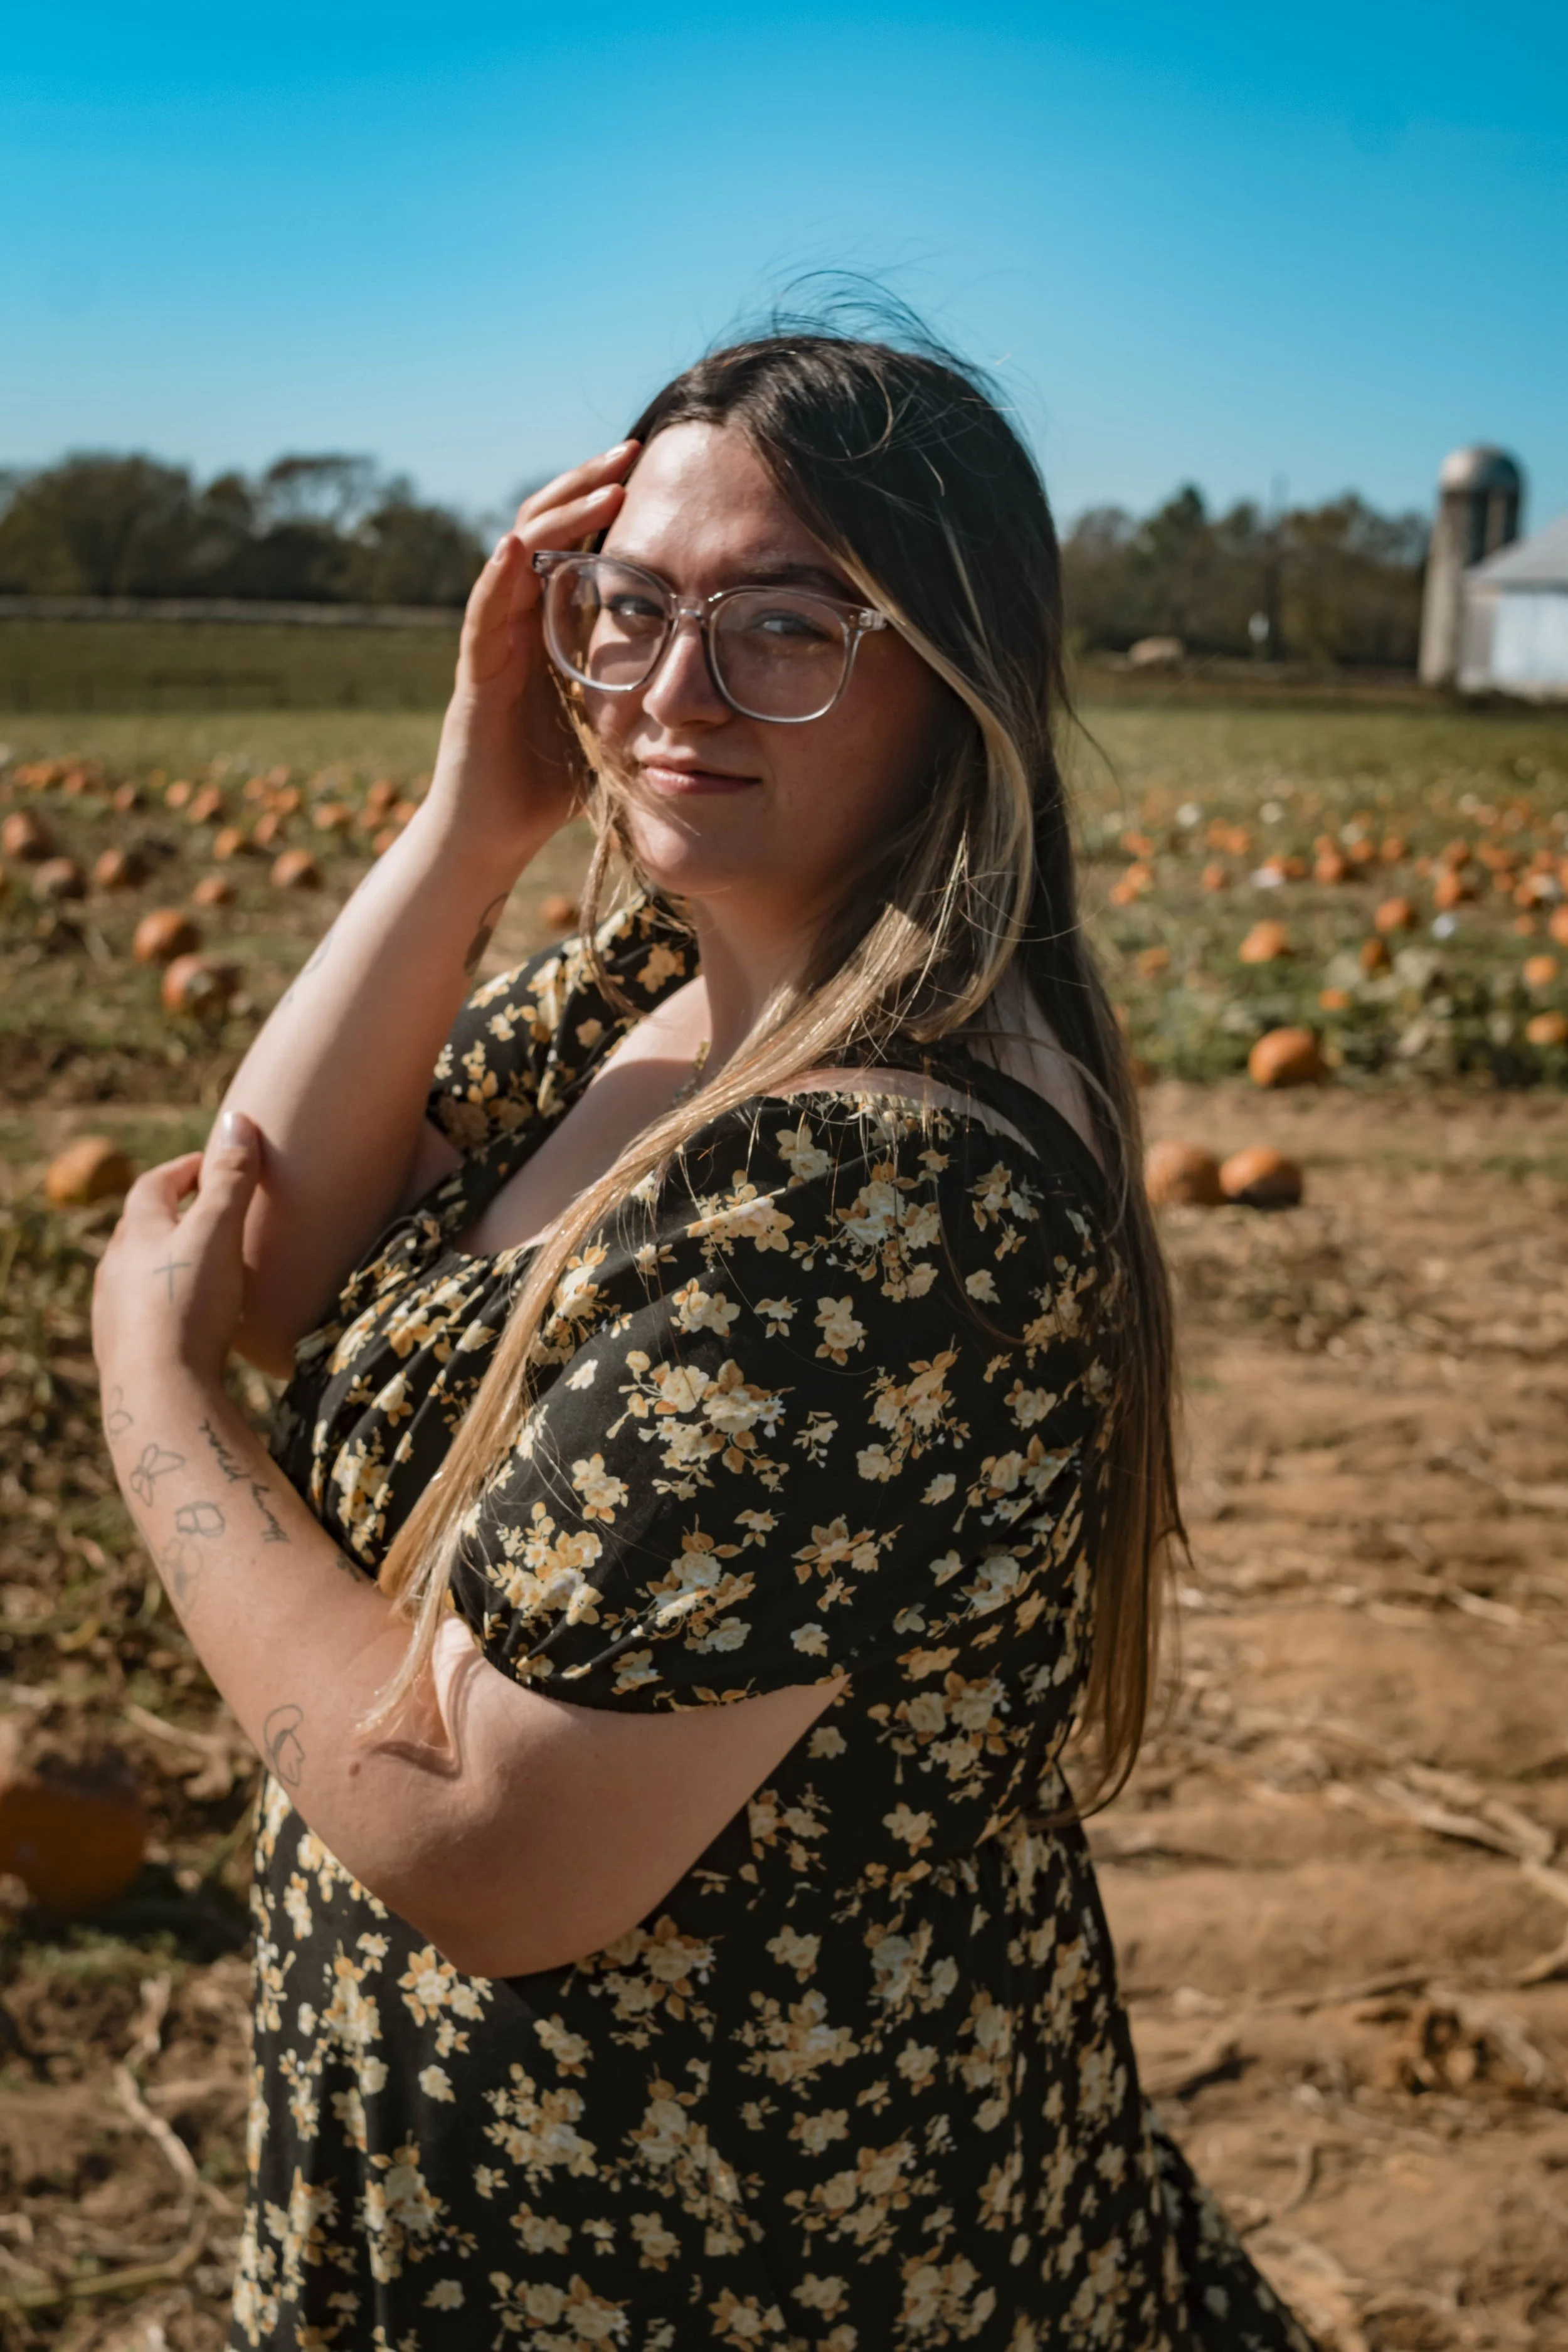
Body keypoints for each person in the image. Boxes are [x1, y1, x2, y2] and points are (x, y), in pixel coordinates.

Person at [93, 318, 1312, 2350]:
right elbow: (282, 1247)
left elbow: (486, 1845)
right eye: (627, 607)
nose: (670, 689)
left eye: (784, 626)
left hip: (728, 2264)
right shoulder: (676, 973)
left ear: (954, 673)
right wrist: (469, 815)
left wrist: (149, 1393)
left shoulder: (877, 1200)